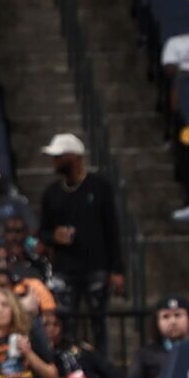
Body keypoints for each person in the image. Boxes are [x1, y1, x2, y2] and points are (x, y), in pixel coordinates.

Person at [35, 133, 125, 347]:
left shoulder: (99, 187)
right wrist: (54, 235)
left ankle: (101, 363)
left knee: (99, 320)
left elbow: (112, 228)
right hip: (65, 267)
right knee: (65, 320)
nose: (54, 161)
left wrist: (117, 270)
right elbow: (42, 232)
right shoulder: (52, 193)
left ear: (74, 157)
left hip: (97, 264)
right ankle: (69, 361)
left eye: (59, 156)